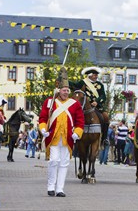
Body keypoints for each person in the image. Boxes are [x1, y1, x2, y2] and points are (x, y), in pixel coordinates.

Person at [39, 68, 84, 197]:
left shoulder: (74, 104)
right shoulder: (50, 101)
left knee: (64, 163)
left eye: (67, 91)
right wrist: (43, 129)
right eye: (64, 90)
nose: (65, 92)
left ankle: (60, 189)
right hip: (53, 136)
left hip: (67, 138)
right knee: (53, 161)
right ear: (59, 90)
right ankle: (50, 186)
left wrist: (77, 132)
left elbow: (80, 121)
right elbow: (43, 118)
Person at [69, 66, 109, 144]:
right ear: (89, 75)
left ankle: (104, 138)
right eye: (94, 75)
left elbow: (103, 96)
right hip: (85, 106)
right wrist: (65, 80)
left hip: (97, 106)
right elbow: (74, 86)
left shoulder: (100, 84)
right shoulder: (82, 82)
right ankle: (73, 135)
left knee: (106, 117)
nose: (96, 76)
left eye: (97, 75)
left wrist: (97, 102)